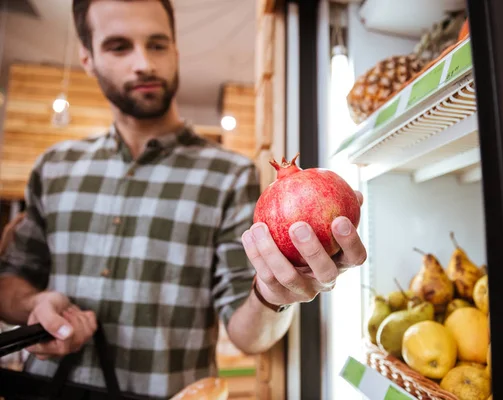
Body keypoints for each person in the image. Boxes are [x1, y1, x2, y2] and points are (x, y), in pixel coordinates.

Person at [0, 0, 367, 398]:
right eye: (119, 46)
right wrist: (36, 304)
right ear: (87, 58)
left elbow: (248, 335)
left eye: (157, 45)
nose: (143, 63)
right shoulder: (54, 167)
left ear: (175, 50)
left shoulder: (229, 175)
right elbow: (9, 282)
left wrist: (274, 294)